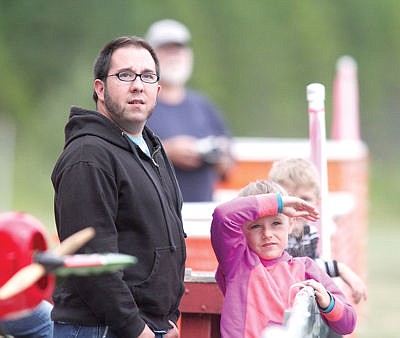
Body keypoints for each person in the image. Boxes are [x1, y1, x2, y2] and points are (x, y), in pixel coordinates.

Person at [51, 36, 186, 338]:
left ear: (157, 91)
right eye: (125, 75)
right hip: (101, 329)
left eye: (147, 76)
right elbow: (91, 257)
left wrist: (166, 318)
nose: (138, 85)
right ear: (100, 89)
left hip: (149, 326)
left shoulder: (151, 148)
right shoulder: (88, 156)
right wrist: (136, 328)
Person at [210, 180, 357, 337]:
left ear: (291, 224)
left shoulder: (305, 267)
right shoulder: (237, 262)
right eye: (255, 226)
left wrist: (328, 302)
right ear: (242, 230)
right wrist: (277, 203)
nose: (267, 234)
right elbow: (222, 214)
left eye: (276, 223)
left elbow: (348, 322)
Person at [145, 19, 234, 202]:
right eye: (166, 49)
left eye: (179, 49)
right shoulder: (139, 104)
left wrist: (216, 155)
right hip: (156, 215)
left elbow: (228, 165)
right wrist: (166, 152)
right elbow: (122, 158)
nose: (174, 55)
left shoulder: (203, 105)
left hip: (202, 214)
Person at [268, 157, 367, 305]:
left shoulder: (309, 232)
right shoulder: (270, 235)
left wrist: (343, 271)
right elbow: (293, 269)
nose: (298, 206)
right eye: (289, 199)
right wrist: (340, 269)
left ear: (317, 201)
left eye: (305, 199)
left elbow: (312, 267)